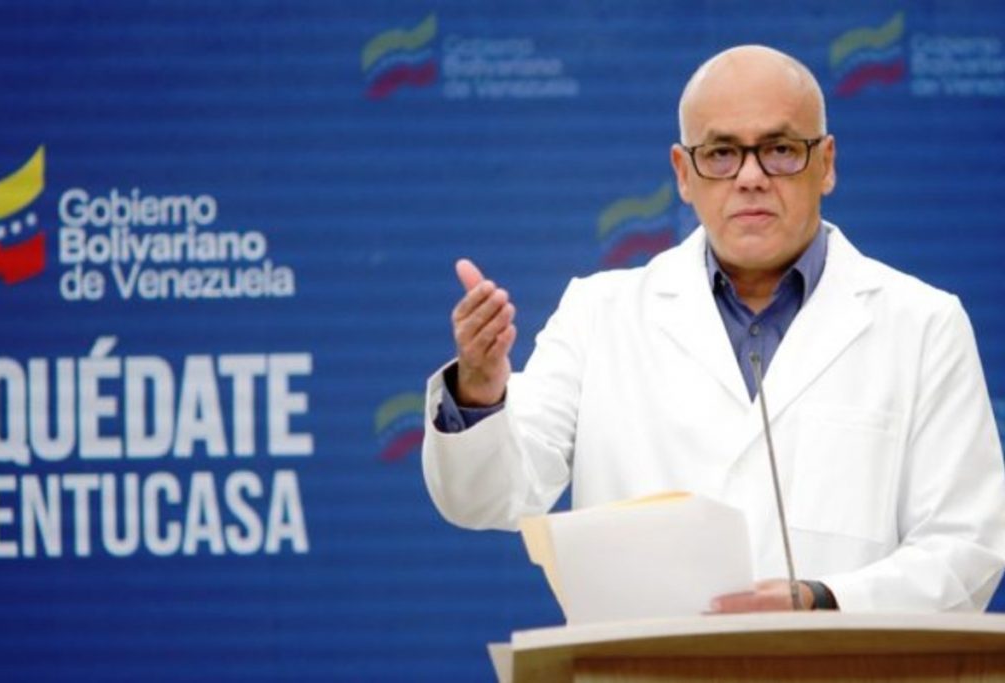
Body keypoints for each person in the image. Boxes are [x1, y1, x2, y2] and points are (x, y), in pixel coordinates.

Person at [421, 45, 1005, 612]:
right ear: (683, 173)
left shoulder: (923, 324)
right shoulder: (598, 314)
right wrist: (479, 393)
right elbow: (490, 498)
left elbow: (966, 548)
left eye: (780, 150)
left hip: (840, 658)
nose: (750, 177)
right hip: (643, 663)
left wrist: (826, 602)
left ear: (826, 163)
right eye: (721, 153)